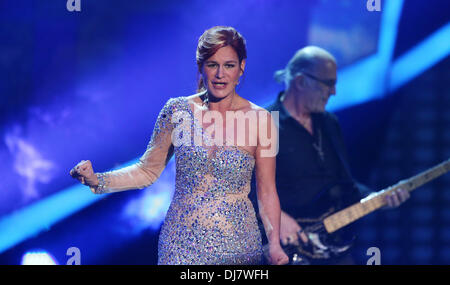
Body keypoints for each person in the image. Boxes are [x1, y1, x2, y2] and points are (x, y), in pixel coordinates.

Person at [69, 26, 288, 265]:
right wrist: (98, 180)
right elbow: (146, 170)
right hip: (181, 247)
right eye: (212, 64)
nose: (220, 74)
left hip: (237, 248)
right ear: (201, 67)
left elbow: (267, 191)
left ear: (241, 67)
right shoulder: (177, 111)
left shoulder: (262, 120)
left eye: (229, 65)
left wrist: (275, 244)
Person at [264, 46, 410, 264]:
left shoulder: (329, 123)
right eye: (328, 84)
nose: (334, 92)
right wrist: (276, 219)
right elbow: (238, 188)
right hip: (286, 251)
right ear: (301, 81)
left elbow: (344, 183)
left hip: (332, 246)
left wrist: (378, 198)